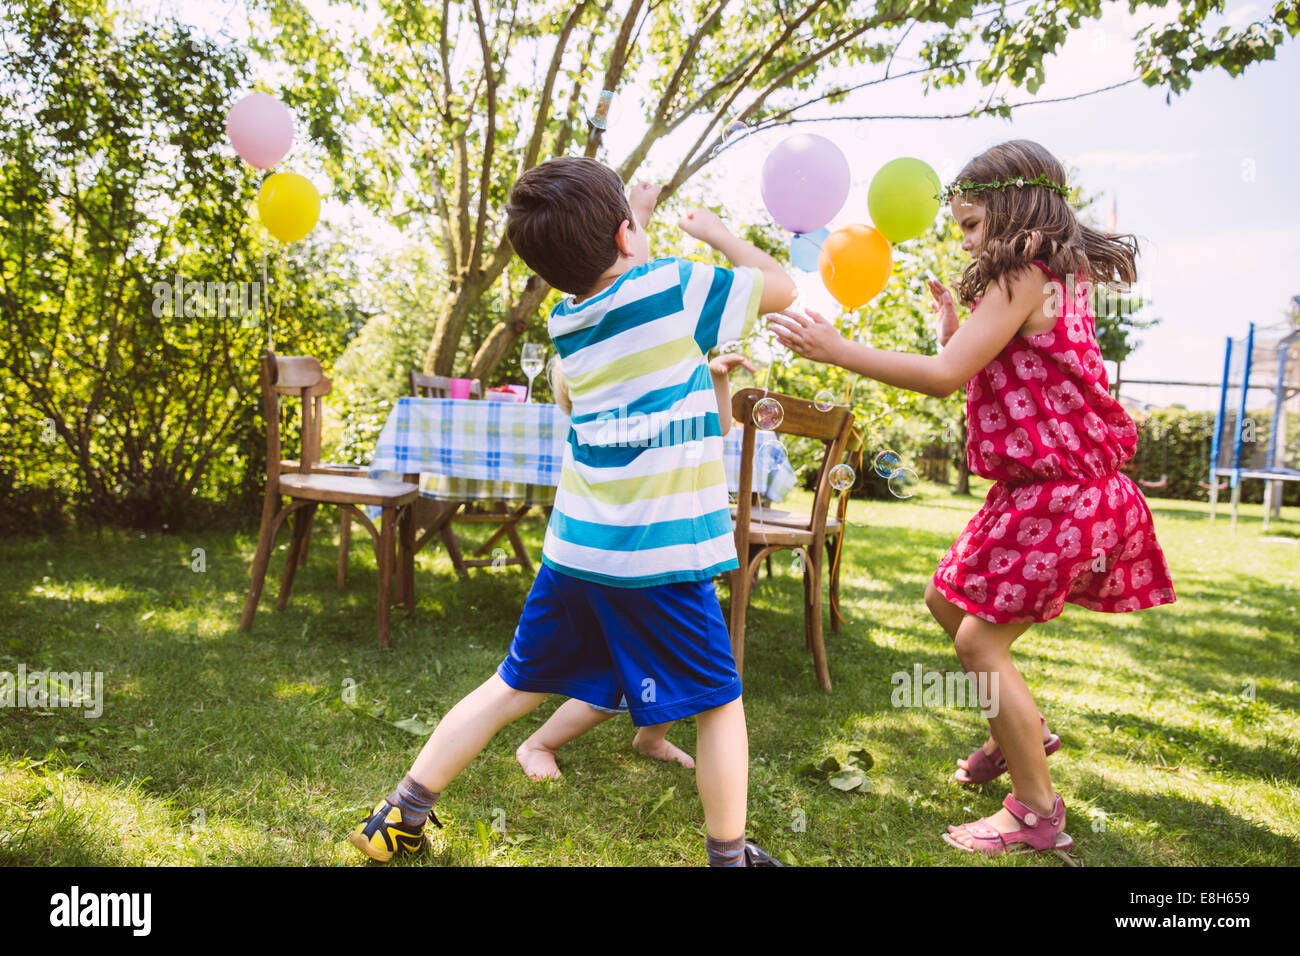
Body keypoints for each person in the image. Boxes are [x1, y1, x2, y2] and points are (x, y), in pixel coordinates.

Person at [350, 156, 797, 866]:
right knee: (719, 702)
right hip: (660, 559)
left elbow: (617, 282)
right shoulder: (673, 288)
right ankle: (729, 856)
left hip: (577, 554)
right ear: (626, 237)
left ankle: (398, 815)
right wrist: (714, 231)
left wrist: (636, 223)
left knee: (511, 685)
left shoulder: (568, 323)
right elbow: (782, 285)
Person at [769, 140, 1175, 856]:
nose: (963, 238)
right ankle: (1018, 732)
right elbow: (1011, 369)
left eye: (968, 223)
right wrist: (956, 335)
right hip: (1042, 491)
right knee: (944, 599)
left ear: (1014, 210)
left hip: (1064, 495)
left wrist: (839, 349)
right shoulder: (1056, 275)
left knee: (977, 640)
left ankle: (1035, 812)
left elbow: (942, 378)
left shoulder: (1022, 271)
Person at [515, 348, 755, 781]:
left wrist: (715, 378)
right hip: (621, 575)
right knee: (614, 684)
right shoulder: (619, 432)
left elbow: (716, 426)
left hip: (665, 570)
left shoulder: (661, 418)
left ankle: (651, 738)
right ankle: (539, 743)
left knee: (673, 666)